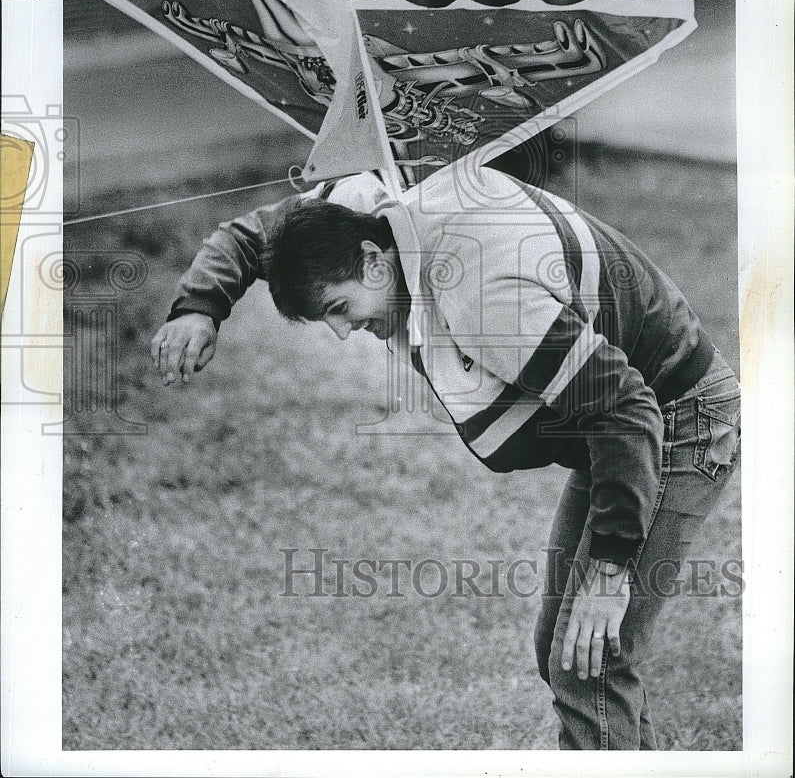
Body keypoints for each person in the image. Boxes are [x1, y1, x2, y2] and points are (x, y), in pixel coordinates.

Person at [151, 163, 740, 751]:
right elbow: (257, 236)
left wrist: (610, 570)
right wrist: (200, 305)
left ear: (375, 260)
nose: (342, 331)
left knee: (589, 665)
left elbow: (626, 411)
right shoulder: (378, 200)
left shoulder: (483, 290)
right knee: (562, 651)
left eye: (338, 307)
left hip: (674, 420)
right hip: (611, 436)